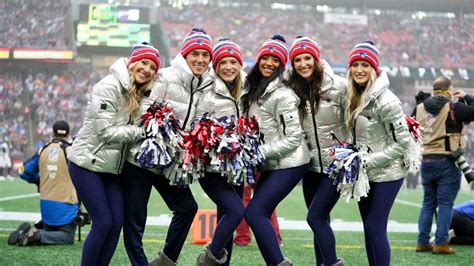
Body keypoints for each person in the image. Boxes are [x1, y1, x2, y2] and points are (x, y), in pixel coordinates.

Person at [121, 28, 214, 266]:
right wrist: (166, 133)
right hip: (141, 160)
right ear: (185, 55)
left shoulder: (205, 85)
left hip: (169, 164)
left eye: (205, 54)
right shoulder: (163, 76)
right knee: (135, 221)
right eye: (195, 53)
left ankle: (165, 261)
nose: (201, 59)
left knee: (187, 208)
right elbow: (142, 115)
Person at [67, 42, 160, 266]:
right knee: (103, 222)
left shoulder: (138, 91)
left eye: (152, 67)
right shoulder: (108, 86)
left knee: (116, 222)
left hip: (111, 169)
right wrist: (142, 132)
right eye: (144, 62)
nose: (147, 69)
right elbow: (106, 132)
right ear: (132, 62)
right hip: (86, 163)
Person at [243, 34, 310, 266]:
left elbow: (293, 138)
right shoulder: (255, 87)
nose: (269, 63)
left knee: (255, 213)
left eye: (276, 60)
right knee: (256, 213)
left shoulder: (283, 94)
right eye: (265, 57)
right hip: (273, 161)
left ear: (282, 66)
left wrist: (258, 153)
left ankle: (277, 262)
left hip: (291, 162)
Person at [345, 41, 410, 265]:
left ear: (374, 69)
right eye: (355, 64)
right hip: (367, 172)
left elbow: (402, 143)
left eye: (365, 64)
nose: (359, 70)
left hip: (389, 172)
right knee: (369, 227)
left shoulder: (388, 101)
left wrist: (365, 161)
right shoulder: (354, 95)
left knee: (375, 225)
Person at [285, 36, 348, 266]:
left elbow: (358, 116)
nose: (303, 64)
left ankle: (331, 263)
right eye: (298, 60)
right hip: (310, 166)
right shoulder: (292, 89)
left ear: (316, 59)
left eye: (307, 58)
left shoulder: (339, 85)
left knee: (315, 217)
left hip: (336, 165)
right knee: (320, 220)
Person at [193, 38, 246, 265]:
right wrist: (219, 142)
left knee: (226, 219)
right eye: (223, 62)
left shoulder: (246, 91)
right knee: (236, 212)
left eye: (233, 61)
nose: (228, 67)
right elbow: (197, 127)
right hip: (211, 168)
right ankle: (208, 258)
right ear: (216, 66)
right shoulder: (206, 91)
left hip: (236, 168)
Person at [415, 77, 474, 254]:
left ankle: (422, 242)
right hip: (447, 160)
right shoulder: (453, 107)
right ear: (449, 90)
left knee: (428, 203)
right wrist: (468, 97)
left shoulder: (419, 108)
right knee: (446, 203)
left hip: (426, 160)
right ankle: (441, 243)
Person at [9, 120, 78, 246]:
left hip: (46, 207)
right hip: (66, 205)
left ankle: (32, 231)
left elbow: (23, 171)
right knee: (67, 237)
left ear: (53, 133)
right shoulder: (71, 152)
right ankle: (37, 235)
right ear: (68, 134)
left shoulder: (42, 150)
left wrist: (38, 181)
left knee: (50, 229)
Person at [234, 175, 283, 247]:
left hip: (246, 167)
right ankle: (275, 238)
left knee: (243, 199)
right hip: (263, 167)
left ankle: (242, 238)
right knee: (267, 202)